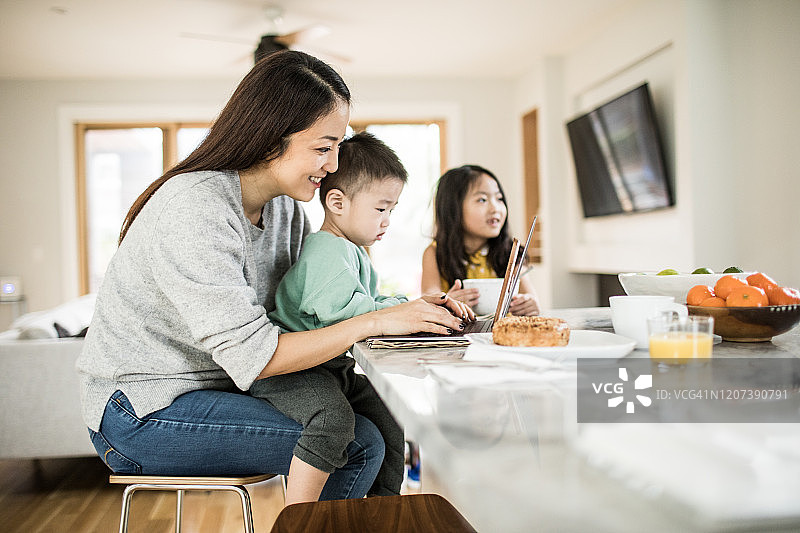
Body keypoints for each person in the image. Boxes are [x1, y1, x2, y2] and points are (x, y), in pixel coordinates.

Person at [75, 50, 469, 504]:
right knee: (356, 445)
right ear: (268, 139)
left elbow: (304, 311)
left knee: (382, 422)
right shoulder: (194, 208)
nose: (335, 164)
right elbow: (255, 356)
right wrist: (377, 321)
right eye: (323, 148)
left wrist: (401, 310)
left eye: (338, 145)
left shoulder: (284, 208)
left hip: (223, 385)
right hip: (140, 411)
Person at [251, 132, 440, 504]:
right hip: (291, 371)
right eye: (381, 208)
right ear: (337, 202)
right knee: (333, 419)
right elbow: (340, 312)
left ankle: (386, 505)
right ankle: (298, 517)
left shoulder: (353, 251)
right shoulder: (326, 250)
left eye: (392, 209)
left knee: (388, 411)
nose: (387, 220)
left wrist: (410, 306)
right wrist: (397, 313)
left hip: (328, 368)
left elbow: (367, 300)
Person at [421, 165, 541, 316]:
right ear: (453, 209)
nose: (495, 208)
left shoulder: (510, 252)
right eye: (482, 199)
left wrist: (530, 305)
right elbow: (428, 304)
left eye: (499, 198)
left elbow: (531, 298)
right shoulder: (434, 253)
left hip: (503, 336)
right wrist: (446, 303)